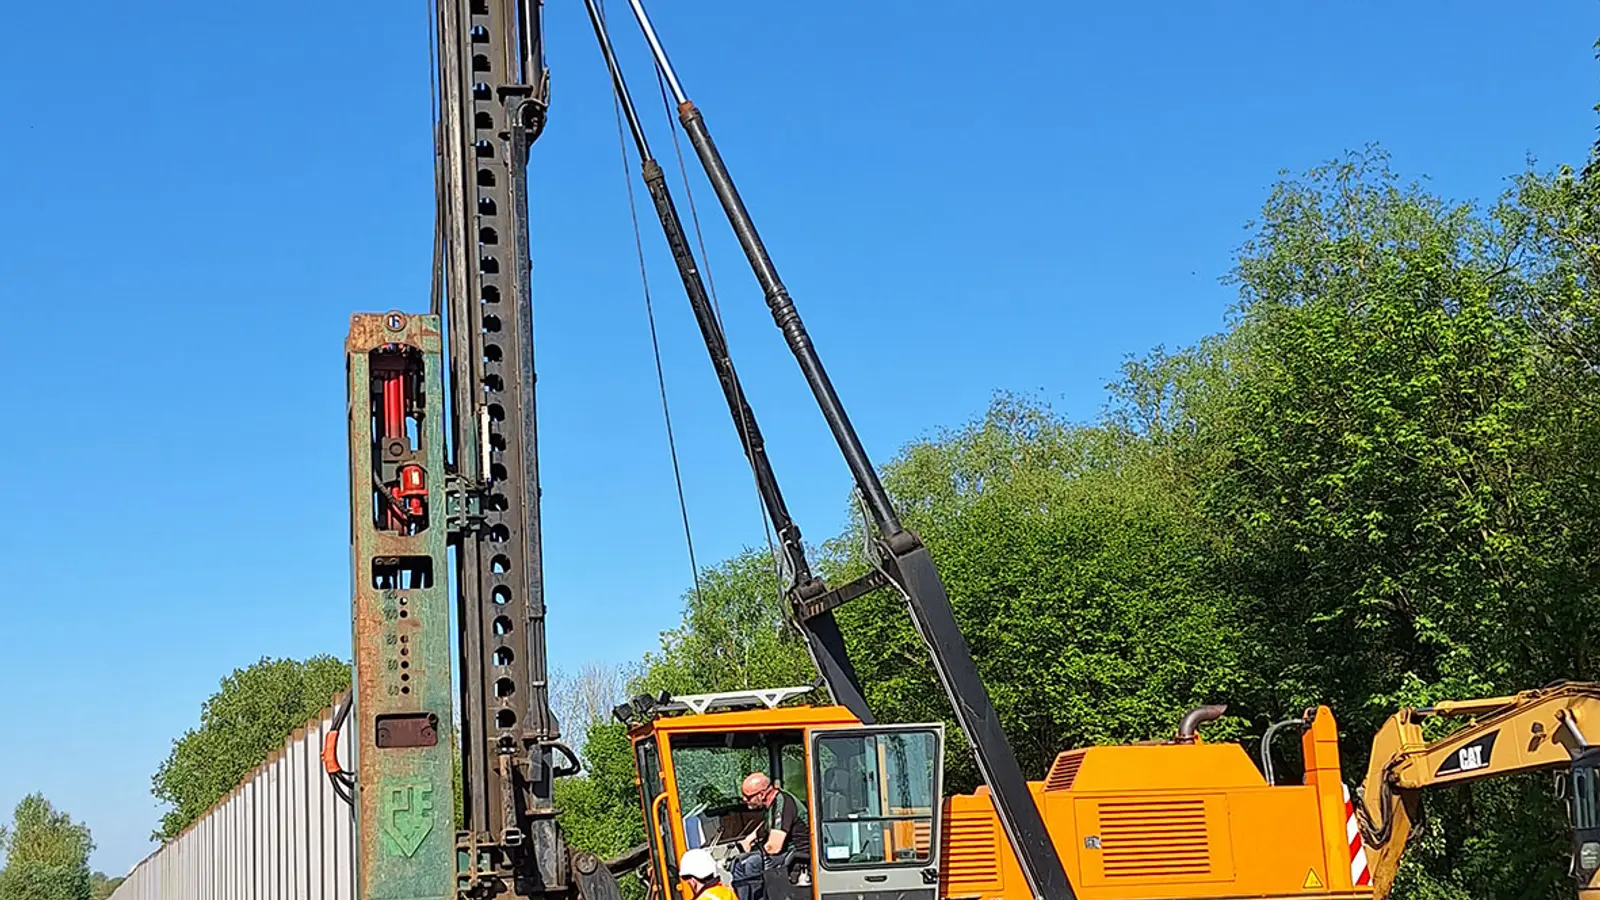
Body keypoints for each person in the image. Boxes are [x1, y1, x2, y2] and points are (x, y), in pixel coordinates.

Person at [729, 772, 807, 900]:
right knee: (737, 862)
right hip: (786, 853)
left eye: (748, 797)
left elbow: (773, 847)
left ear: (762, 794)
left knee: (750, 863)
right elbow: (766, 828)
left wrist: (752, 853)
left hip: (798, 855)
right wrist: (749, 840)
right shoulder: (771, 805)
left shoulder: (783, 804)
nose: (744, 800)